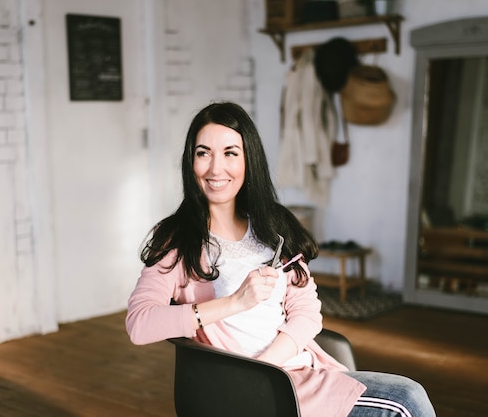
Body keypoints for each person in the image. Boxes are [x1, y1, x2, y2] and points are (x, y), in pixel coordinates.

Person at [126, 101, 435, 417]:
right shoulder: (177, 239)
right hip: (246, 390)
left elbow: (307, 312)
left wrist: (265, 369)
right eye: (203, 153)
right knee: (406, 401)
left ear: (249, 160)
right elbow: (140, 324)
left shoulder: (274, 225)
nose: (215, 168)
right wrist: (235, 302)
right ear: (190, 162)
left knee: (409, 397)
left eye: (230, 153)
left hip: (294, 375)